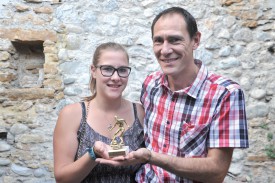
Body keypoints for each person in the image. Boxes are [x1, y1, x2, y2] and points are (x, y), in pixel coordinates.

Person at [96, 7, 249, 183]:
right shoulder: (151, 84)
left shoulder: (225, 94)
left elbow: (216, 172)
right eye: (158, 41)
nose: (165, 50)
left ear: (195, 40)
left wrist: (152, 157)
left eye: (175, 40)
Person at [53, 42, 145, 183]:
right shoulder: (72, 115)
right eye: (107, 69)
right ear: (93, 70)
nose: (115, 77)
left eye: (122, 70)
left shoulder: (139, 112)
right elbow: (62, 178)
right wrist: (93, 155)